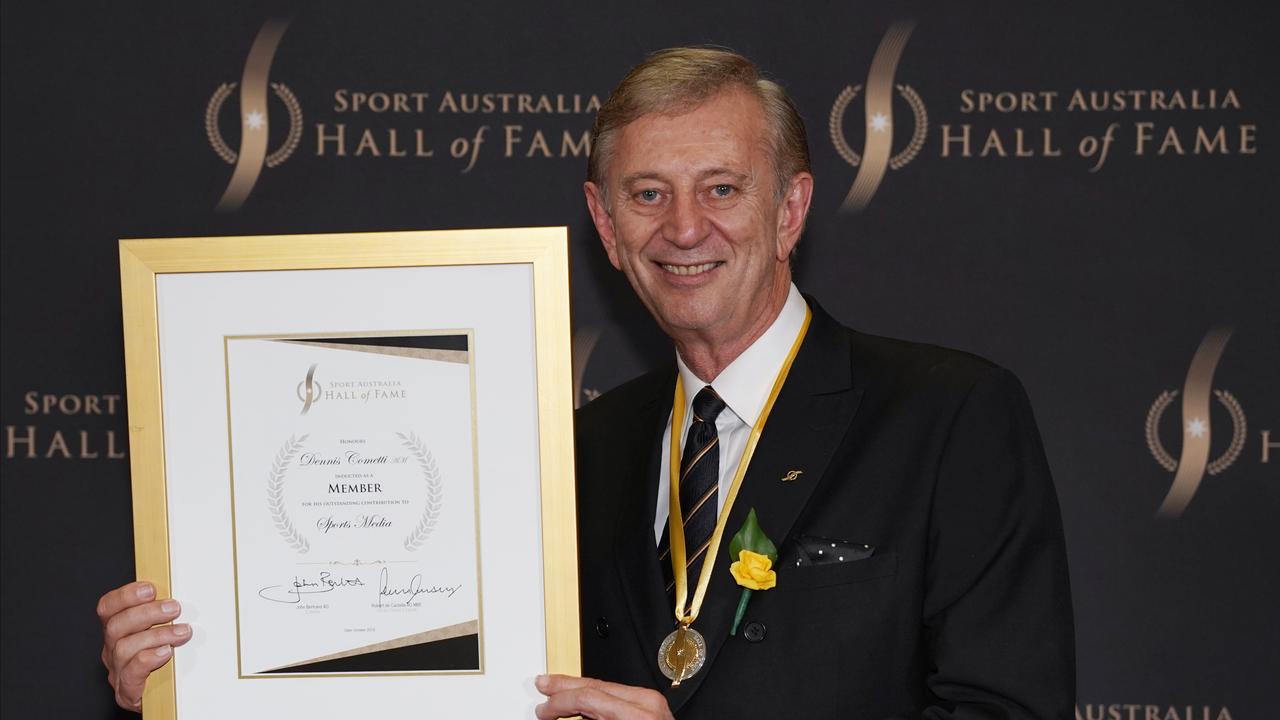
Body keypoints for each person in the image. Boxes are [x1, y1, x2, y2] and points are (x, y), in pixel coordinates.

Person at [99, 48, 1075, 719]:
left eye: (721, 188)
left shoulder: (948, 418)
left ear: (789, 210)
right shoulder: (569, 453)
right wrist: (195, 683)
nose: (683, 228)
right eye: (647, 194)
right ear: (605, 227)